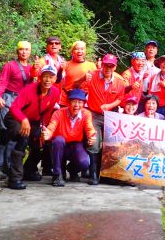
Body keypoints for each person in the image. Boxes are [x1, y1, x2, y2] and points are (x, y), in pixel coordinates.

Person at [5, 64, 60, 190]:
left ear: (55, 79)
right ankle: (14, 179)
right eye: (45, 76)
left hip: (34, 122)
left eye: (51, 77)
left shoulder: (55, 92)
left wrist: (43, 129)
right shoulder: (29, 89)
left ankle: (28, 171)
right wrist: (23, 120)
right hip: (15, 117)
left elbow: (47, 112)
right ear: (40, 77)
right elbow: (14, 108)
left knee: (41, 143)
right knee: (23, 138)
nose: (47, 80)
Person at [0, 41, 33, 181]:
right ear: (17, 51)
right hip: (8, 100)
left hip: (21, 103)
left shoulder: (31, 68)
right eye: (21, 49)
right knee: (4, 133)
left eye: (26, 50)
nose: (24, 52)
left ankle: (9, 167)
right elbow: (3, 81)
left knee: (16, 135)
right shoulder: (10, 65)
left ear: (30, 52)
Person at [41, 89, 96, 187]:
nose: (77, 105)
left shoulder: (86, 114)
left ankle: (71, 169)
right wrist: (48, 133)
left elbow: (89, 128)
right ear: (68, 102)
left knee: (84, 162)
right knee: (58, 140)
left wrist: (92, 136)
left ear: (83, 104)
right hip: (60, 145)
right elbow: (51, 126)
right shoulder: (58, 113)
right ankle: (57, 175)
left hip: (75, 145)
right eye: (74, 101)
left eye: (80, 102)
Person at [86, 53, 126, 185]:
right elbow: (78, 88)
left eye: (111, 66)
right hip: (94, 114)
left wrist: (109, 105)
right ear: (102, 65)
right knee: (94, 143)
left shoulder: (119, 81)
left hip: (111, 116)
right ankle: (93, 174)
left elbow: (120, 98)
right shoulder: (92, 76)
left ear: (115, 67)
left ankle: (107, 174)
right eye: (106, 65)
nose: (108, 68)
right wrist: (83, 80)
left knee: (111, 145)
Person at [60, 40, 97, 107]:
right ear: (72, 52)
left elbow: (96, 85)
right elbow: (59, 83)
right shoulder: (66, 65)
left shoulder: (92, 66)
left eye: (82, 49)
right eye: (77, 49)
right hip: (66, 100)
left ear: (85, 51)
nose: (79, 51)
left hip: (83, 101)